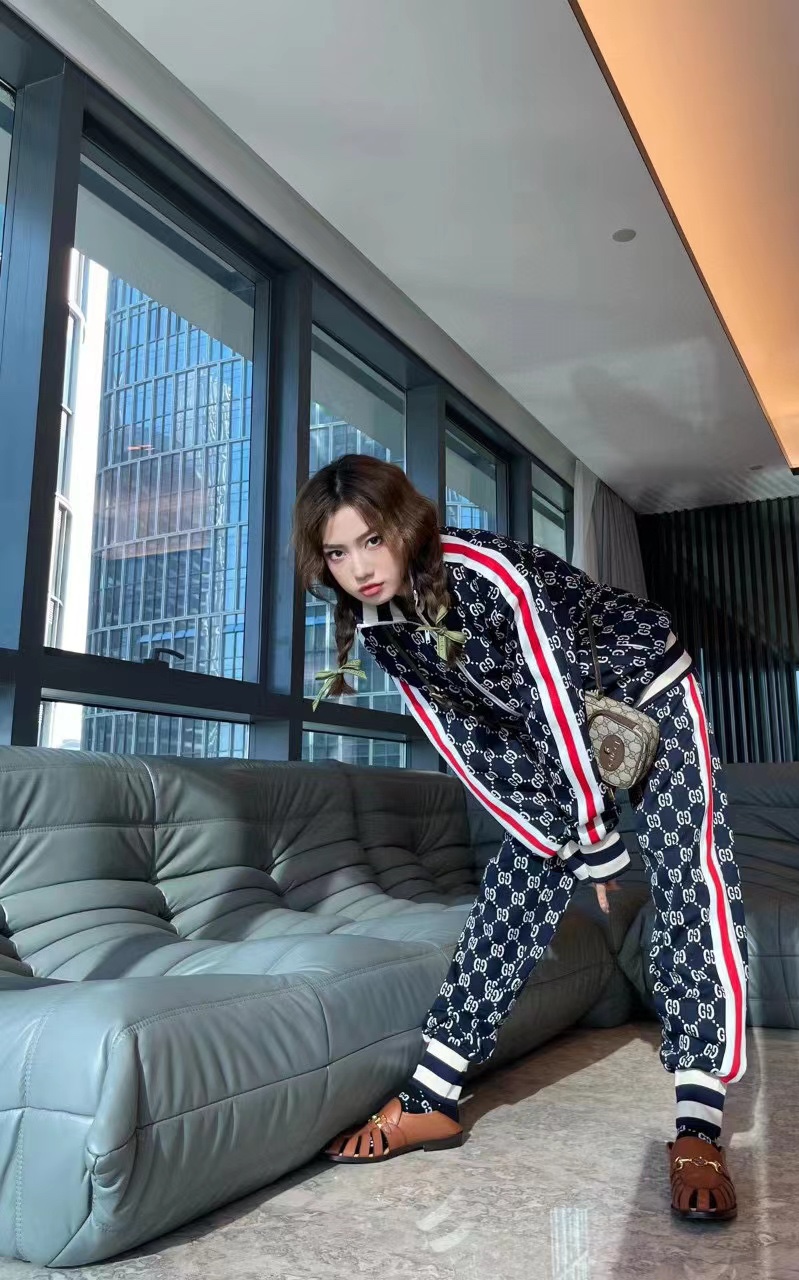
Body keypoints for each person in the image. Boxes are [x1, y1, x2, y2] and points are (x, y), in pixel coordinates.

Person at [292, 454, 749, 1222]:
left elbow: (553, 699)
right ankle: (432, 1095)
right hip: (551, 733)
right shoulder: (381, 628)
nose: (359, 568)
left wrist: (594, 835)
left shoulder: (483, 575)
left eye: (371, 540)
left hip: (642, 691)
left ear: (404, 525)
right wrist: (551, 830)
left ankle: (698, 1124)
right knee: (516, 882)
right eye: (337, 553)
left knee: (689, 878)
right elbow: (468, 741)